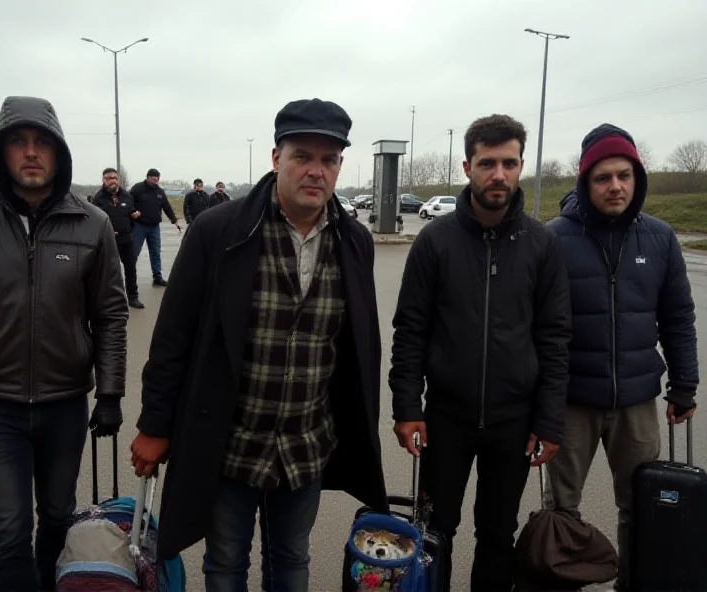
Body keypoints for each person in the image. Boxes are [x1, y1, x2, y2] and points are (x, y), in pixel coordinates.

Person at [130, 97, 388, 591]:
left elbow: (357, 346)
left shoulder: (354, 240)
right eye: (302, 156)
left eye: (329, 159)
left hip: (305, 444)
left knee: (291, 560)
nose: (316, 171)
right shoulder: (219, 231)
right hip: (232, 443)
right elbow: (173, 339)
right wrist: (154, 425)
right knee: (226, 563)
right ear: (276, 159)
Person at [0, 95, 128, 592]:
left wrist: (110, 394)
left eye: (42, 142)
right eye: (19, 142)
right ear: (2, 153)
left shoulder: (93, 224)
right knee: (9, 531)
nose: (31, 152)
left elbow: (110, 316)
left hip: (65, 405)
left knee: (59, 520)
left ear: (59, 154)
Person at [389, 114, 572, 591]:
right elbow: (411, 331)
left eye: (509, 163)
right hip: (446, 418)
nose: (499, 174)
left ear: (520, 167)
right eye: (488, 163)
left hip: (515, 422)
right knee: (435, 533)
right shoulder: (436, 240)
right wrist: (407, 407)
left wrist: (549, 420)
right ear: (468, 166)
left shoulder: (542, 243)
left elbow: (555, 339)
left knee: (497, 533)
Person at [545, 124, 698, 590]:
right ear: (585, 181)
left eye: (624, 175)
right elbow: (536, 326)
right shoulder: (553, 239)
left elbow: (678, 316)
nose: (615, 186)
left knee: (641, 505)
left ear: (637, 178)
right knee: (562, 508)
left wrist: (684, 385)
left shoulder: (660, 237)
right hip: (572, 399)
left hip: (635, 399)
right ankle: (559, 582)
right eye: (603, 177)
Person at [93, 167, 145, 309]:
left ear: (119, 180)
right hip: (109, 241)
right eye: (109, 178)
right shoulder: (98, 199)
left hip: (127, 240)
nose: (112, 181)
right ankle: (111, 300)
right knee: (110, 271)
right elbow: (95, 220)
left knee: (130, 269)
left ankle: (133, 297)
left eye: (115, 178)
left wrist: (134, 215)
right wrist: (107, 232)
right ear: (103, 181)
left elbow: (130, 213)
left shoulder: (127, 196)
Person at [129, 168, 180, 287]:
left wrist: (174, 220)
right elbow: (129, 202)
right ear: (148, 177)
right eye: (153, 177)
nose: (156, 180)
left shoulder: (160, 191)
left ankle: (157, 276)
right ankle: (130, 277)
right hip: (139, 226)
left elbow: (166, 206)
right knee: (133, 253)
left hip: (154, 227)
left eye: (157, 178)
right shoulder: (137, 188)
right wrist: (132, 212)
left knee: (155, 252)